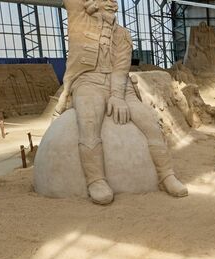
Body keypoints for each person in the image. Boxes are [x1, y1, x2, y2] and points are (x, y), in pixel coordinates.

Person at [58, 0, 187, 204]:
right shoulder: (79, 21)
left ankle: (166, 175)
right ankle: (96, 180)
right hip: (88, 81)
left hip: (120, 85)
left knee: (150, 123)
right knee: (89, 123)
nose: (112, 3)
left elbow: (121, 67)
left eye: (114, 1)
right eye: (106, 0)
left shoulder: (122, 34)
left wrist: (117, 96)